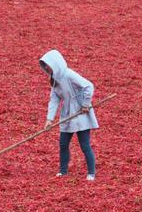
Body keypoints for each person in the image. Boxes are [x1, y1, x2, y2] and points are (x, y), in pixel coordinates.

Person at [39, 50, 98, 181]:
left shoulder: (69, 74)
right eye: (45, 65)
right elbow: (54, 100)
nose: (46, 68)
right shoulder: (54, 80)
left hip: (80, 112)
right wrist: (49, 119)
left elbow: (88, 86)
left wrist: (85, 104)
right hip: (67, 114)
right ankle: (63, 171)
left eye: (48, 64)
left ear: (54, 63)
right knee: (63, 144)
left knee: (84, 145)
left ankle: (91, 173)